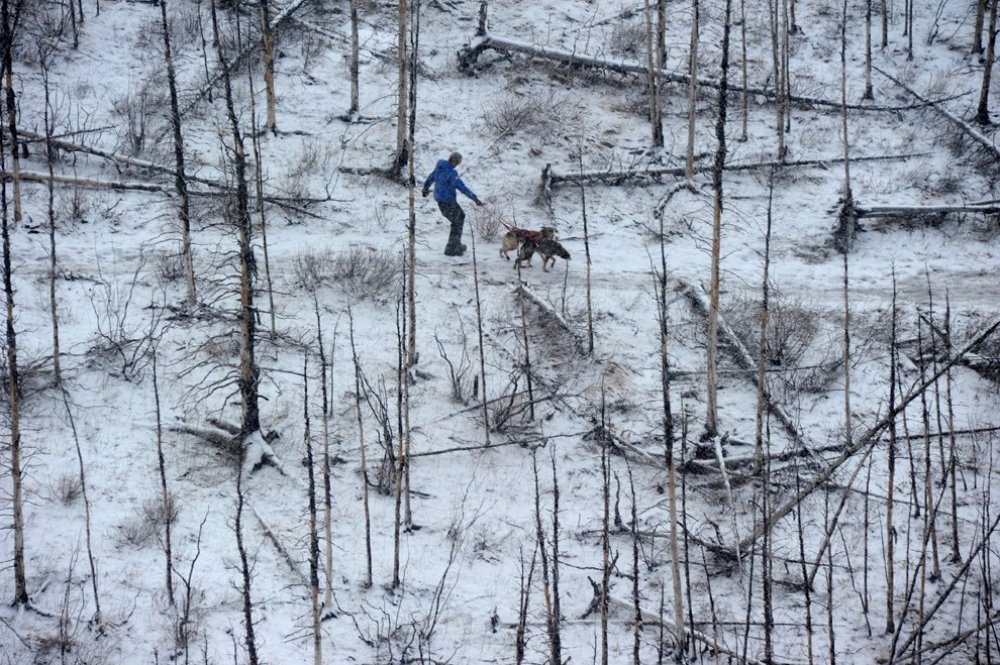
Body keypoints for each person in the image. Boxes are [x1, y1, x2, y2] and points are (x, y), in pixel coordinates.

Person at [422, 152, 483, 256]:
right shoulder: (452, 173)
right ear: (455, 162)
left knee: (459, 218)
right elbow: (462, 187)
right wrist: (475, 199)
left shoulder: (440, 167)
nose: (457, 164)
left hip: (441, 202)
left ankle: (456, 244)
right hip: (448, 202)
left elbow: (431, 177)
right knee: (458, 221)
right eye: (458, 162)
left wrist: (425, 188)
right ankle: (451, 248)